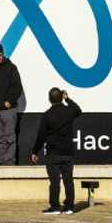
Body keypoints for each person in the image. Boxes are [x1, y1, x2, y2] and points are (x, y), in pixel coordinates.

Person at [30, 87, 82, 215]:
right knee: (68, 180)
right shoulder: (69, 111)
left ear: (49, 99)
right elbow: (78, 110)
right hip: (67, 152)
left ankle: (55, 207)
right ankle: (69, 207)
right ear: (61, 98)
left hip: (53, 153)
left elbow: (41, 136)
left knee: (54, 181)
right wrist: (67, 99)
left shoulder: (47, 115)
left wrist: (35, 151)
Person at [0, 42, 24, 164]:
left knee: (9, 138)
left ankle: (9, 163)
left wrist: (10, 101)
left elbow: (17, 87)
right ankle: (1, 163)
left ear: (3, 54)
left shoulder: (11, 68)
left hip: (8, 110)